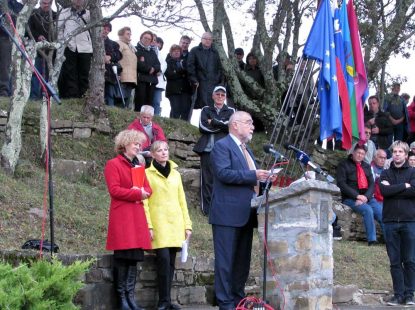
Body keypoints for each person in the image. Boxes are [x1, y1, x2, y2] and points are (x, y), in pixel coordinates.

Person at [209, 111, 274, 309]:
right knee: (225, 263)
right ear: (235, 125)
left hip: (247, 214)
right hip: (226, 215)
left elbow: (250, 180)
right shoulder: (222, 146)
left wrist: (265, 181)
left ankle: (238, 300)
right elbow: (223, 173)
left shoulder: (247, 150)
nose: (252, 126)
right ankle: (225, 303)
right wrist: (254, 174)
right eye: (249, 122)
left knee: (241, 264)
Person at [104, 129, 152, 310]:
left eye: (140, 145)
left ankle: (131, 297)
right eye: (135, 144)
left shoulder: (138, 166)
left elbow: (148, 188)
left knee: (134, 259)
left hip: (137, 215)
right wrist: (136, 193)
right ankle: (121, 298)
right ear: (124, 144)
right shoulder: (113, 164)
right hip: (123, 216)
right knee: (123, 257)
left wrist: (144, 192)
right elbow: (114, 190)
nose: (138, 147)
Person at [143, 140, 192, 310]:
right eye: (159, 150)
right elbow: (145, 203)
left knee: (171, 263)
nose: (164, 153)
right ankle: (163, 302)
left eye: (165, 150)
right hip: (158, 225)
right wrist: (148, 225)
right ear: (152, 154)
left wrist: (188, 225)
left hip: (175, 224)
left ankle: (167, 301)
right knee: (163, 260)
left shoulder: (176, 174)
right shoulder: (147, 174)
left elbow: (182, 201)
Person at [380, 141, 415, 306]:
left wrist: (394, 189)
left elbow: (414, 191)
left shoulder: (414, 172)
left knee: (409, 260)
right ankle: (398, 295)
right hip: (390, 221)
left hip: (409, 221)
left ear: (406, 155)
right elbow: (384, 191)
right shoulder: (385, 173)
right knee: (394, 261)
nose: (397, 154)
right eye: (394, 151)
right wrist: (403, 186)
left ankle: (409, 295)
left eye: (400, 151)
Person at [193, 86, 235, 216]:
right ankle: (207, 210)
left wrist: (214, 122)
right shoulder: (206, 109)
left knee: (224, 179)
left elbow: (232, 127)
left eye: (223, 95)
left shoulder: (231, 110)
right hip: (207, 149)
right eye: (218, 94)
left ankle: (222, 208)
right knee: (207, 180)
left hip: (224, 151)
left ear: (225, 97)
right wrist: (222, 125)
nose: (220, 97)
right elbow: (202, 127)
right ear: (213, 96)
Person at [336, 144, 384, 245]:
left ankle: (390, 240)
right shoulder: (343, 165)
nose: (360, 155)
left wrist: (365, 197)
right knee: (368, 210)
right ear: (353, 152)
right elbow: (342, 184)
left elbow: (372, 184)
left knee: (381, 213)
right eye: (358, 153)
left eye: (362, 154)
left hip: (367, 198)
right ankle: (372, 240)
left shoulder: (367, 166)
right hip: (350, 198)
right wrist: (357, 196)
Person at [57, 0, 93, 99]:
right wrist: (62, 43)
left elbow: (95, 31)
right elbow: (59, 29)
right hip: (69, 46)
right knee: (70, 73)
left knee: (84, 73)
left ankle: (83, 96)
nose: (78, 1)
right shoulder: (64, 12)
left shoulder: (89, 14)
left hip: (85, 48)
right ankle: (72, 96)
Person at [27, 0, 56, 100]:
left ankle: (46, 96)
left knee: (49, 75)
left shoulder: (55, 15)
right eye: (44, 3)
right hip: (35, 48)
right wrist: (37, 36)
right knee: (35, 73)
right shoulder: (33, 13)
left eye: (49, 3)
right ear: (40, 2)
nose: (46, 5)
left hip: (50, 50)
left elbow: (58, 32)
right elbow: (29, 30)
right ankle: (34, 96)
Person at [187, 32, 224, 109]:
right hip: (200, 83)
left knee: (213, 106)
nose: (207, 41)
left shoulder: (216, 52)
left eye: (210, 39)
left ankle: (210, 121)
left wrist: (219, 81)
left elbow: (220, 68)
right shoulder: (194, 50)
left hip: (213, 84)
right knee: (201, 106)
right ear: (201, 39)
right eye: (205, 39)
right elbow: (190, 66)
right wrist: (194, 79)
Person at [0, 0, 23, 97]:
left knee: (5, 65)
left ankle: (3, 91)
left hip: (6, 37)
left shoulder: (16, 6)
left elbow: (21, 21)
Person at [134, 31, 160, 112]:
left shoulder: (152, 52)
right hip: (141, 79)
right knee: (140, 102)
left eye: (149, 39)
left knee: (149, 104)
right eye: (145, 38)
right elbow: (138, 64)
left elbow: (158, 65)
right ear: (141, 38)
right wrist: (150, 69)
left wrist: (154, 69)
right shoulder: (136, 49)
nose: (147, 40)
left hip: (152, 81)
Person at [165, 44, 192, 120]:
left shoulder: (185, 62)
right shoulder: (167, 62)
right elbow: (169, 74)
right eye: (174, 51)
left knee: (185, 110)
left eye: (178, 51)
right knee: (175, 111)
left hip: (185, 90)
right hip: (173, 90)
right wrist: (181, 72)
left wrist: (177, 72)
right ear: (171, 53)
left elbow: (188, 73)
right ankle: (173, 127)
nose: (176, 52)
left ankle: (184, 129)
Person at [102, 22, 122, 107]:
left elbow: (119, 55)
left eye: (108, 30)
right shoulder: (90, 40)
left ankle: (110, 112)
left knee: (109, 95)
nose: (106, 31)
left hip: (109, 74)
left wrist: (110, 57)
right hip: (94, 73)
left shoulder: (113, 44)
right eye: (104, 28)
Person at [117, 27, 137, 108]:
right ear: (121, 34)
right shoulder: (119, 44)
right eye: (127, 34)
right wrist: (118, 72)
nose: (130, 35)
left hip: (131, 78)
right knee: (120, 99)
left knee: (127, 101)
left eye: (130, 34)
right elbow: (116, 59)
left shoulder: (131, 47)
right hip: (123, 76)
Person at [151, 36, 166, 116]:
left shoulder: (161, 55)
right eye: (157, 42)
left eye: (160, 44)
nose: (158, 45)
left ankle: (156, 117)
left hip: (159, 81)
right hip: (149, 79)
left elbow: (164, 65)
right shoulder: (148, 50)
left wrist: (160, 71)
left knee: (156, 102)